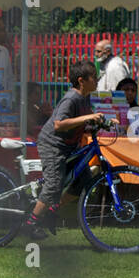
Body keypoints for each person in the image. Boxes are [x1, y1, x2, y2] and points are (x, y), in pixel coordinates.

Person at [24, 61, 102, 239]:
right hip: (53, 145)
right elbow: (59, 124)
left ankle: (53, 209)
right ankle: (31, 223)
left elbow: (81, 122)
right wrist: (88, 117)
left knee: (84, 179)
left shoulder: (84, 98)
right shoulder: (71, 98)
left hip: (68, 146)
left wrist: (101, 122)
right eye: (94, 77)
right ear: (82, 80)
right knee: (53, 184)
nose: (97, 80)